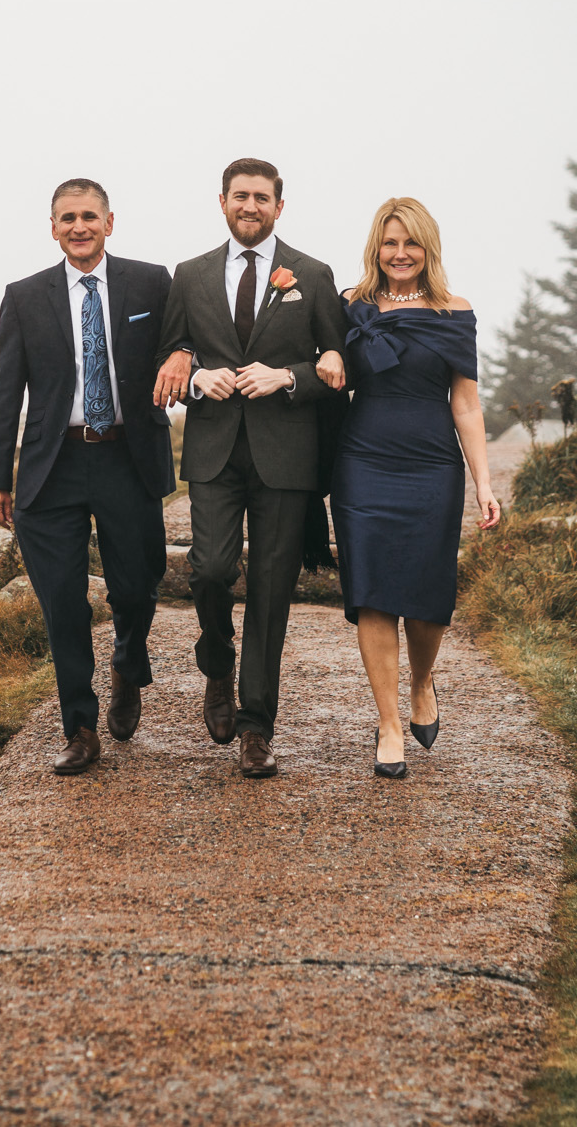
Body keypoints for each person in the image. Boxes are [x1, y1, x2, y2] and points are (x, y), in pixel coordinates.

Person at [152, 158, 346, 778]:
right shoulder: (190, 274)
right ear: (223, 202)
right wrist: (194, 376)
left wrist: (288, 375)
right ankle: (217, 662)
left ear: (279, 207)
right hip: (214, 450)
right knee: (210, 569)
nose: (250, 207)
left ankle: (257, 726)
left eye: (262, 198)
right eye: (241, 196)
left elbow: (338, 365)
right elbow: (168, 354)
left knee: (269, 591)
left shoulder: (312, 275)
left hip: (286, 456)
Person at [0, 178, 176, 775]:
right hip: (53, 466)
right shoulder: (24, 296)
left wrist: (183, 354)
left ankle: (127, 662)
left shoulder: (151, 282)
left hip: (128, 457)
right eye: (67, 218)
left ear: (109, 223)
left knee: (137, 586)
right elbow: (4, 392)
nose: (78, 227)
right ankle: (80, 728)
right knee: (62, 603)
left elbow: (180, 339)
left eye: (89, 216)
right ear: (53, 228)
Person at [324, 197, 500, 779]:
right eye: (390, 243)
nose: (400, 254)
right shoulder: (350, 305)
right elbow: (325, 369)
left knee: (427, 596)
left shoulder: (455, 311)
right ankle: (389, 724)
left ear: (428, 248)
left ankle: (422, 683)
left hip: (431, 466)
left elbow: (466, 404)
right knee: (372, 592)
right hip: (362, 462)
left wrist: (483, 483)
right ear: (376, 247)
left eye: (411, 244)